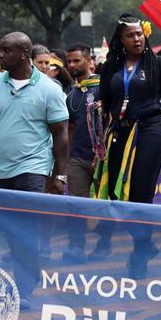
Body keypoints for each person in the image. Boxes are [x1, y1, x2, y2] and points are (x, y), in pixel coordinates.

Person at [0, 32, 70, 301]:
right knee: (9, 227)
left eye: (5, 51)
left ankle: (24, 287)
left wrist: (60, 174)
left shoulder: (49, 89)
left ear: (23, 54)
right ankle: (27, 268)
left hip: (33, 167)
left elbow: (61, 135)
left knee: (25, 226)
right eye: (0, 50)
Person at [92, 15, 161, 276]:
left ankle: (140, 253)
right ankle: (146, 243)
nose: (137, 39)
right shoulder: (110, 68)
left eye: (140, 34)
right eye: (131, 35)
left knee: (141, 193)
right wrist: (98, 142)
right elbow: (105, 105)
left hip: (150, 129)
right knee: (116, 195)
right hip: (119, 132)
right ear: (121, 39)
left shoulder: (158, 64)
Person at [62, 43, 100, 263]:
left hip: (104, 158)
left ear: (89, 60)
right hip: (77, 159)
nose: (72, 65)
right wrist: (66, 161)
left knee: (107, 205)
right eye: (69, 61)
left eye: (77, 60)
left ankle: (104, 245)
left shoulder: (106, 87)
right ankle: (76, 248)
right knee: (76, 206)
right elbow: (70, 129)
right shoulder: (71, 95)